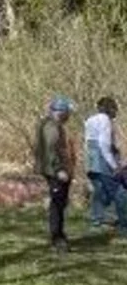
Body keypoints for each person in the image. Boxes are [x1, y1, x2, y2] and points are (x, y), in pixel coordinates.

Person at [34, 96, 75, 254]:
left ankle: (59, 235)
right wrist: (60, 170)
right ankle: (57, 239)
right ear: (61, 112)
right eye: (67, 113)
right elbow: (51, 150)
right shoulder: (52, 127)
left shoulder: (47, 123)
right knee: (57, 204)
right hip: (56, 172)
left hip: (52, 170)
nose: (69, 116)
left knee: (59, 203)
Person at [83, 95, 127, 236]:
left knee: (99, 191)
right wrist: (114, 166)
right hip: (102, 161)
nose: (116, 113)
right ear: (110, 109)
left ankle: (97, 221)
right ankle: (123, 226)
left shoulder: (90, 120)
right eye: (115, 109)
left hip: (91, 160)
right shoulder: (105, 121)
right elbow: (103, 144)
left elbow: (90, 143)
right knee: (120, 192)